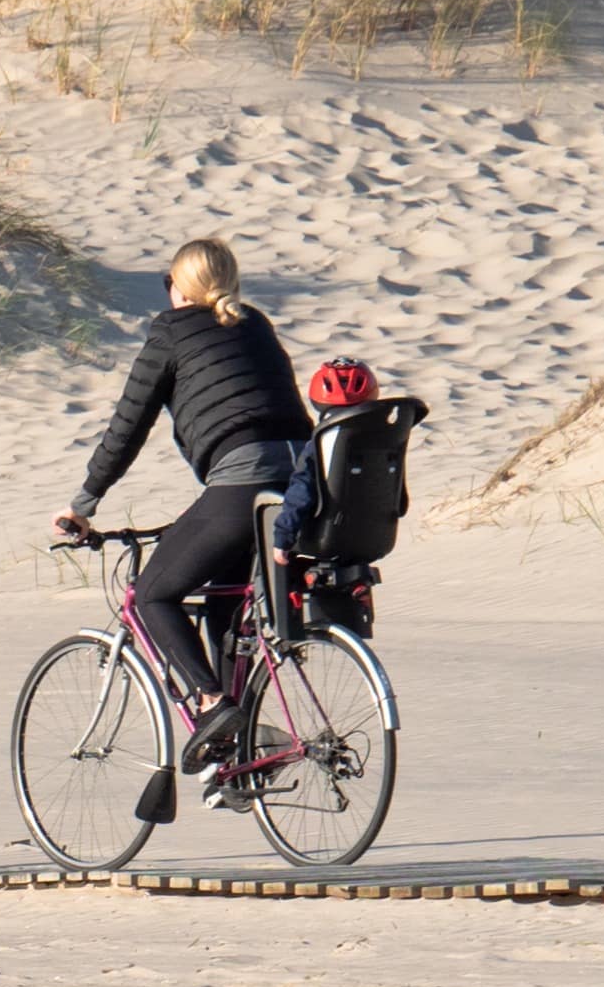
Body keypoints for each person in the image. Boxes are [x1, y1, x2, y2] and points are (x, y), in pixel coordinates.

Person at [52, 237, 310, 769]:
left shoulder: (171, 331)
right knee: (222, 600)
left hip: (242, 483)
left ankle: (215, 705)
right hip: (302, 485)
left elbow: (129, 424)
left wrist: (85, 503)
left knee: (150, 597)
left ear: (179, 287)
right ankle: (239, 758)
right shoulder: (255, 324)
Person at [272, 356, 380, 555]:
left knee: (264, 516)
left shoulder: (322, 440)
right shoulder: (384, 436)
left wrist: (283, 536)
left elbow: (302, 489)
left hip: (326, 535)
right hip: (376, 535)